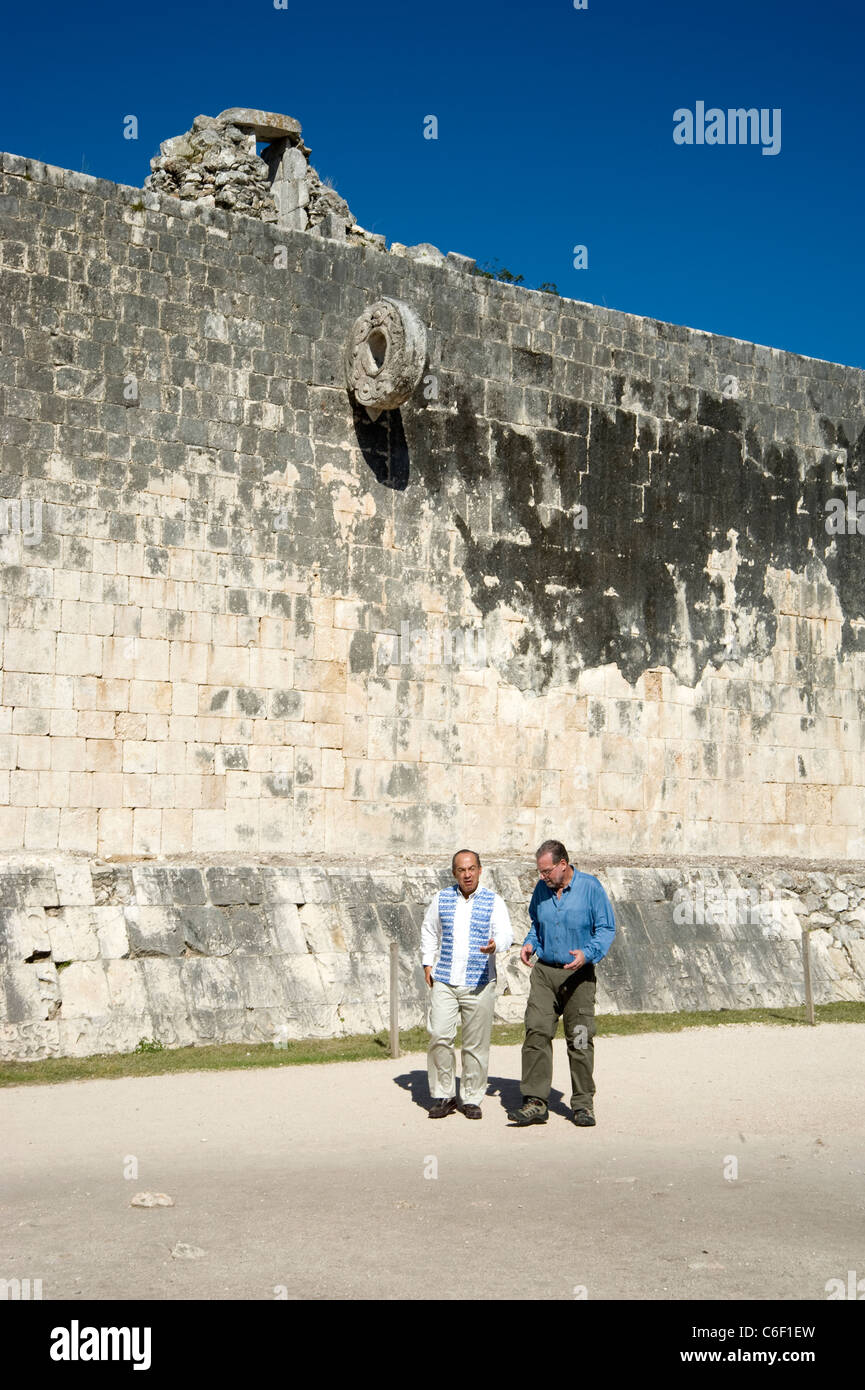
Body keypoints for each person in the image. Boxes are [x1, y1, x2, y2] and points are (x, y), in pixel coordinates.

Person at [507, 839, 616, 1128]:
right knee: (536, 1032)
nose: (542, 877)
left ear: (563, 864)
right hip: (545, 973)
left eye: (546, 871)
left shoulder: (590, 888)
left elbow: (606, 929)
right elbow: (536, 924)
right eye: (540, 872)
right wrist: (530, 944)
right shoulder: (541, 890)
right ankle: (535, 1101)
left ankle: (583, 1104)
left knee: (579, 1039)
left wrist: (587, 954)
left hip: (578, 976)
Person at [422, 850, 513, 1119]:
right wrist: (428, 963)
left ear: (480, 870)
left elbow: (506, 932)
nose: (467, 874)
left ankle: (472, 1097)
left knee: (475, 1043)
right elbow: (429, 930)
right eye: (462, 870)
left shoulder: (493, 901)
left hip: (479, 981)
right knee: (439, 1035)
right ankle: (444, 1094)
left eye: (472, 868)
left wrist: (497, 944)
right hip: (445, 979)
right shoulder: (441, 899)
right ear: (454, 873)